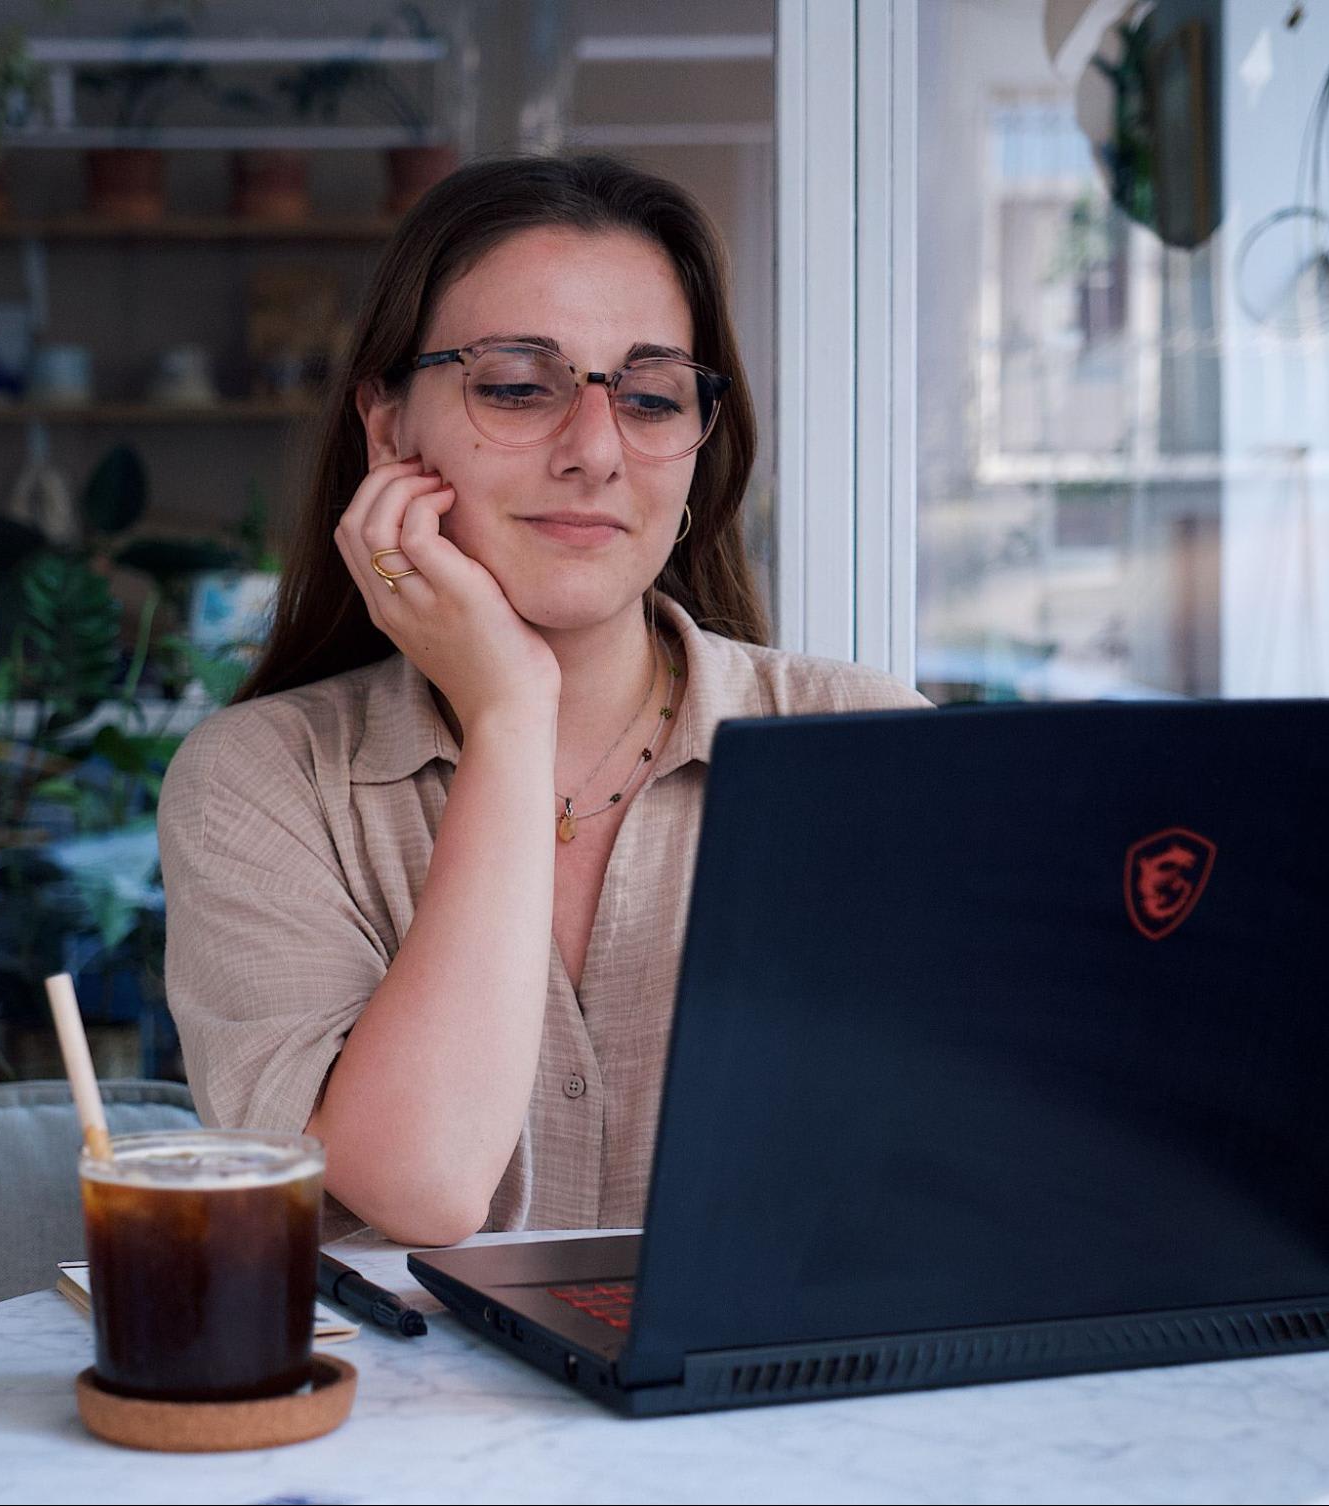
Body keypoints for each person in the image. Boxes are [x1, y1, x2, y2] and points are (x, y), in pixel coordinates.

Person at [159, 154, 930, 1247]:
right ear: (387, 432)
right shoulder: (265, 782)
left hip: (774, 1417)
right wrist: (511, 713)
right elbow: (420, 1188)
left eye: (652, 395)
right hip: (413, 1421)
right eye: (518, 386)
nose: (594, 451)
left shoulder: (866, 749)